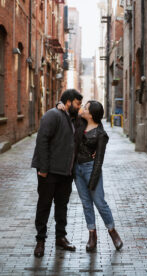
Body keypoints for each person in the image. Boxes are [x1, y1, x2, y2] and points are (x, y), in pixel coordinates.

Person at [57, 100, 123, 251]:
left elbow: (99, 160)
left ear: (91, 115)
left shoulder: (101, 134)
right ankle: (92, 236)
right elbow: (67, 114)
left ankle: (112, 232)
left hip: (91, 169)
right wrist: (59, 105)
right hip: (77, 170)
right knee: (86, 204)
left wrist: (92, 182)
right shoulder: (79, 124)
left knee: (99, 202)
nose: (82, 109)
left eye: (85, 108)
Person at [31, 89, 83, 258]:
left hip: (65, 173)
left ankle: (61, 237)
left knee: (62, 206)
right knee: (44, 205)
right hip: (50, 171)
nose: (79, 106)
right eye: (77, 103)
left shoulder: (75, 119)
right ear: (68, 102)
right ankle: (40, 241)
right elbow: (42, 141)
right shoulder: (52, 115)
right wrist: (43, 169)